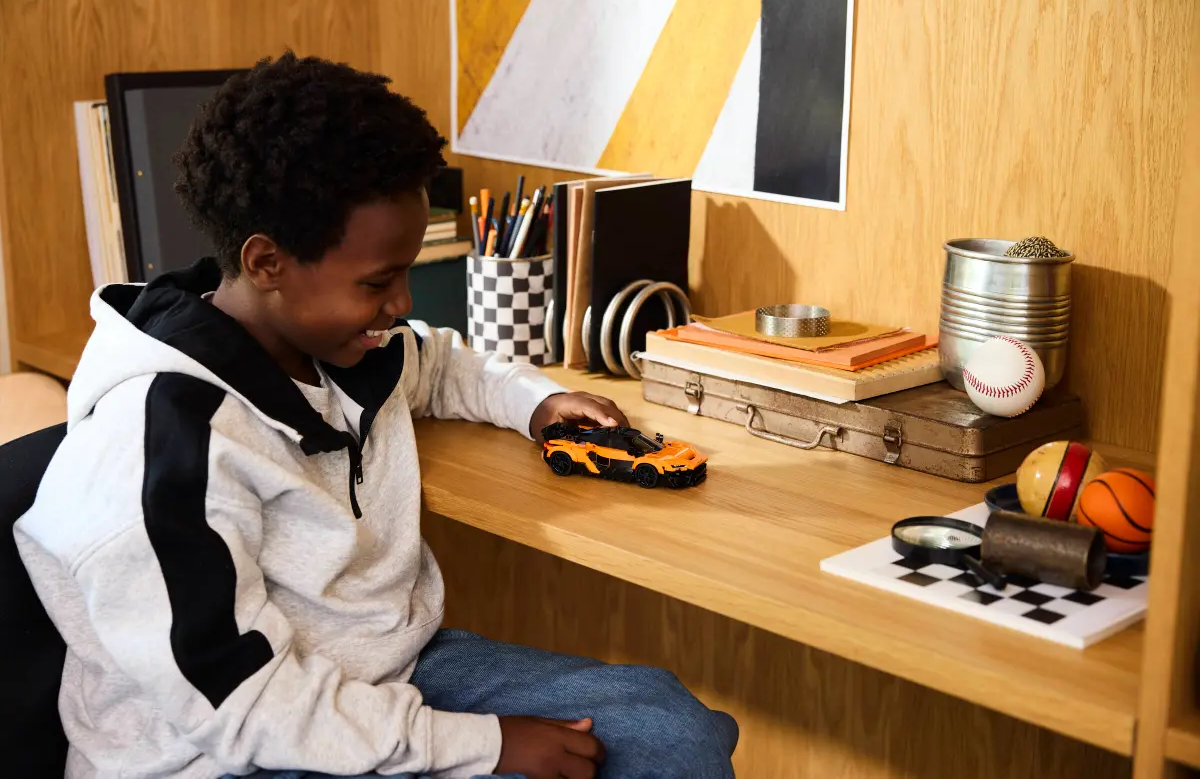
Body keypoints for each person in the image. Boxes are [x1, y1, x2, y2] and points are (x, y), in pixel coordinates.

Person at [14, 52, 737, 779]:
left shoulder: (345, 347)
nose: (402, 304)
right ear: (267, 264)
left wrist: (538, 402)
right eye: (378, 281)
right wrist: (483, 744)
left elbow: (441, 363)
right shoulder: (160, 446)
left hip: (382, 674)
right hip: (221, 749)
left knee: (672, 730)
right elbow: (245, 706)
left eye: (407, 272)